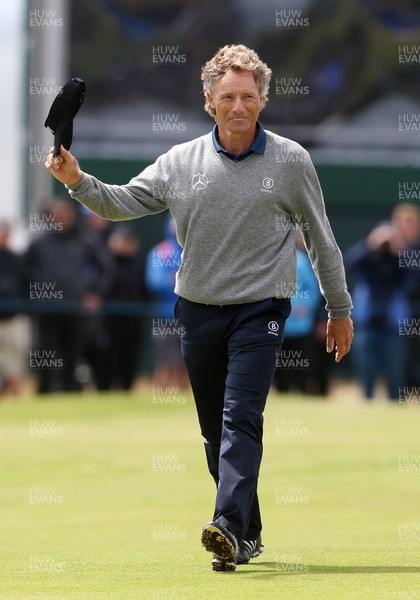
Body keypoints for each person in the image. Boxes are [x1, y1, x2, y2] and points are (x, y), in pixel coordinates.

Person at [45, 45, 353, 570]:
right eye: (228, 96)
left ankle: (226, 525)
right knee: (215, 428)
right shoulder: (180, 162)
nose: (239, 106)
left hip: (263, 307)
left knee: (240, 416)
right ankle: (247, 532)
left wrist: (339, 309)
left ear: (263, 100)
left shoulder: (291, 161)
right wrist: (76, 180)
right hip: (198, 308)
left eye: (249, 96)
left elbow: (322, 241)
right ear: (209, 99)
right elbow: (122, 202)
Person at [24, 199, 114, 394]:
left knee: (74, 354)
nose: (62, 218)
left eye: (66, 214)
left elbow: (106, 268)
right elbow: (25, 273)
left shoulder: (86, 239)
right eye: (57, 214)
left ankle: (71, 393)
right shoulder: (39, 242)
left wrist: (95, 293)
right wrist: (30, 303)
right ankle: (44, 393)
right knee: (46, 354)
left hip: (76, 309)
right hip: (46, 310)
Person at [345, 221, 408, 400]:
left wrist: (398, 248)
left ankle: (395, 405)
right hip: (367, 324)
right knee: (366, 370)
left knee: (395, 371)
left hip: (392, 326)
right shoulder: (368, 258)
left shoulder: (399, 259)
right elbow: (350, 262)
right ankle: (367, 403)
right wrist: (371, 245)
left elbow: (412, 274)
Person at [145, 214, 189, 390]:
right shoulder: (161, 251)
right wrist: (180, 281)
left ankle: (185, 404)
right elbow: (154, 282)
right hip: (166, 316)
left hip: (192, 317)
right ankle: (161, 400)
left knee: (188, 364)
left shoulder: (193, 251)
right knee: (166, 362)